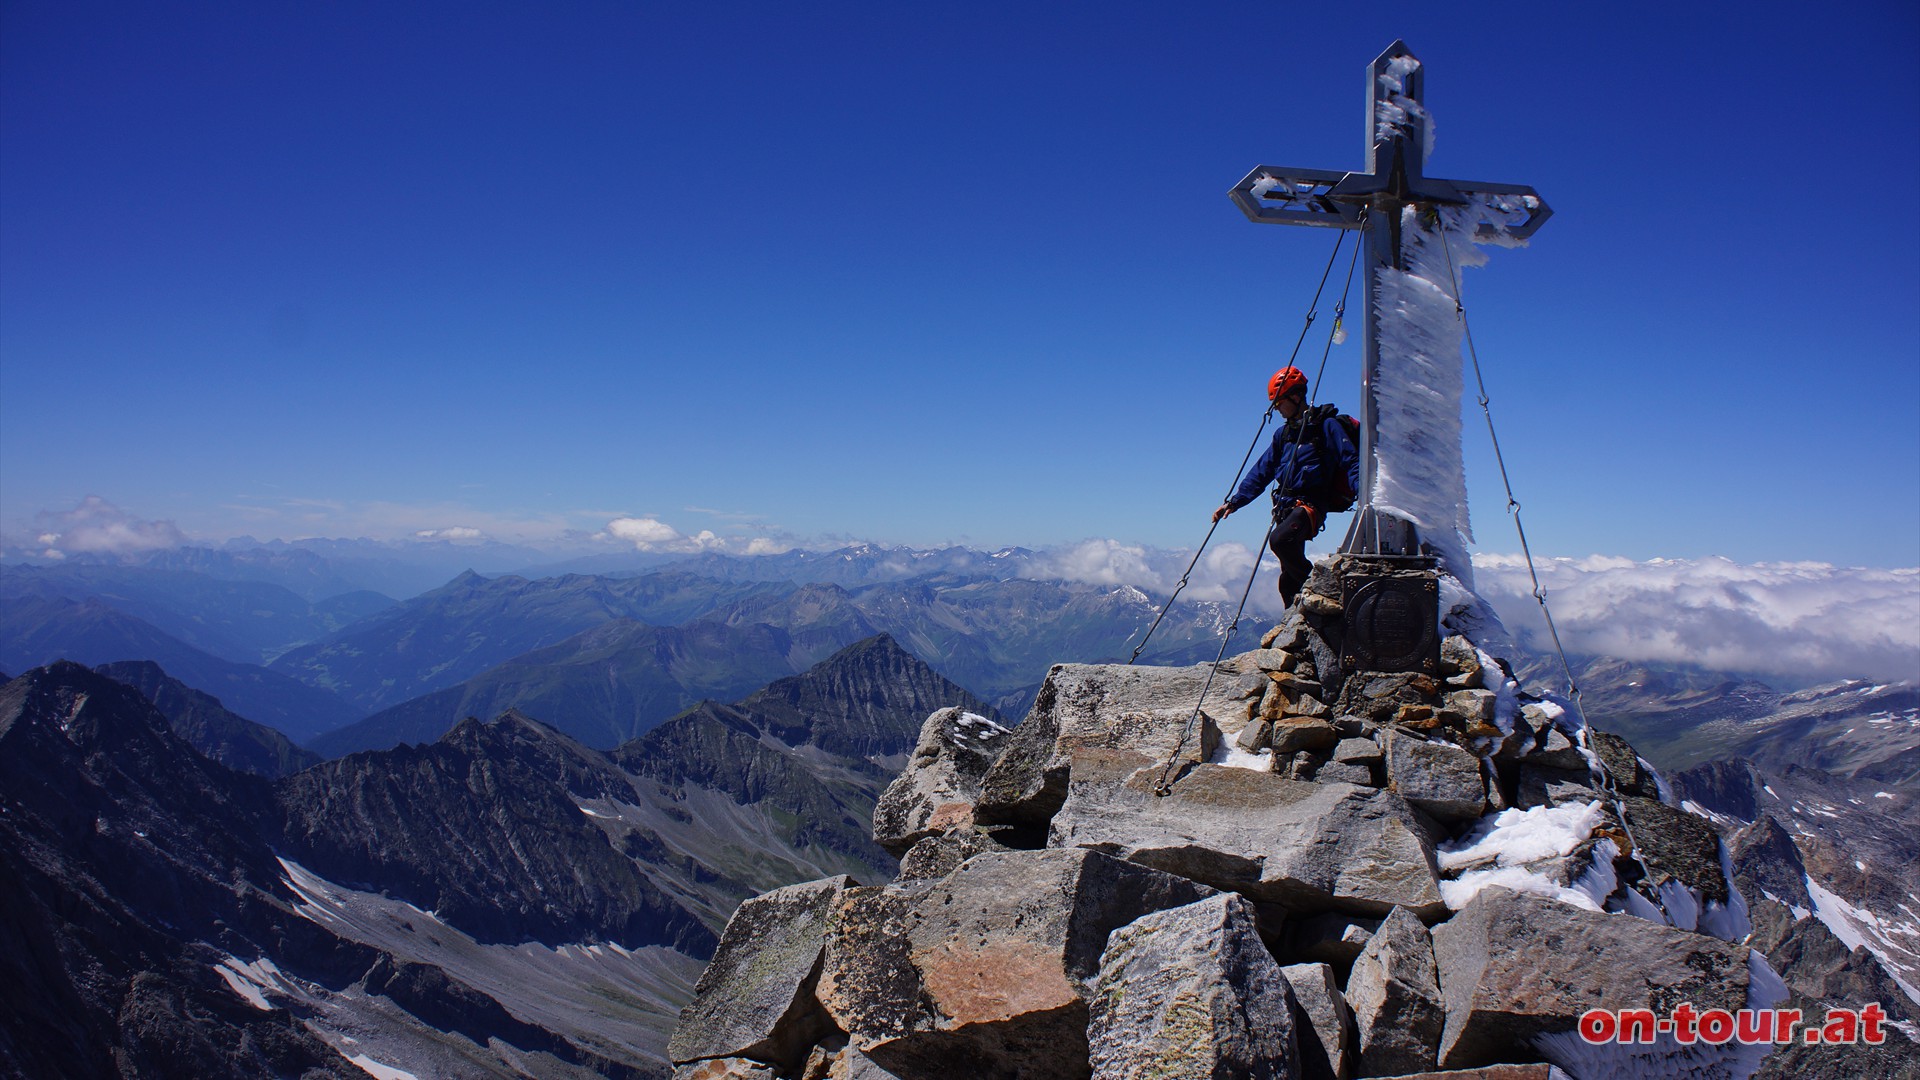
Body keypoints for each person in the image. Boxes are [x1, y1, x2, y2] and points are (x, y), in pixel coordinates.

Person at [1211, 366, 1361, 609]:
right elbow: (1262, 471)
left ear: (1296, 396)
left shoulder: (1327, 426)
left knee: (1281, 541)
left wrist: (1364, 494)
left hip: (1311, 504)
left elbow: (1351, 460)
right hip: (1286, 506)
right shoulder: (1283, 435)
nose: (1278, 409)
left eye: (1280, 402)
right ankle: (1297, 619)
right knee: (1286, 581)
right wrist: (1235, 502)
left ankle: (1316, 586)